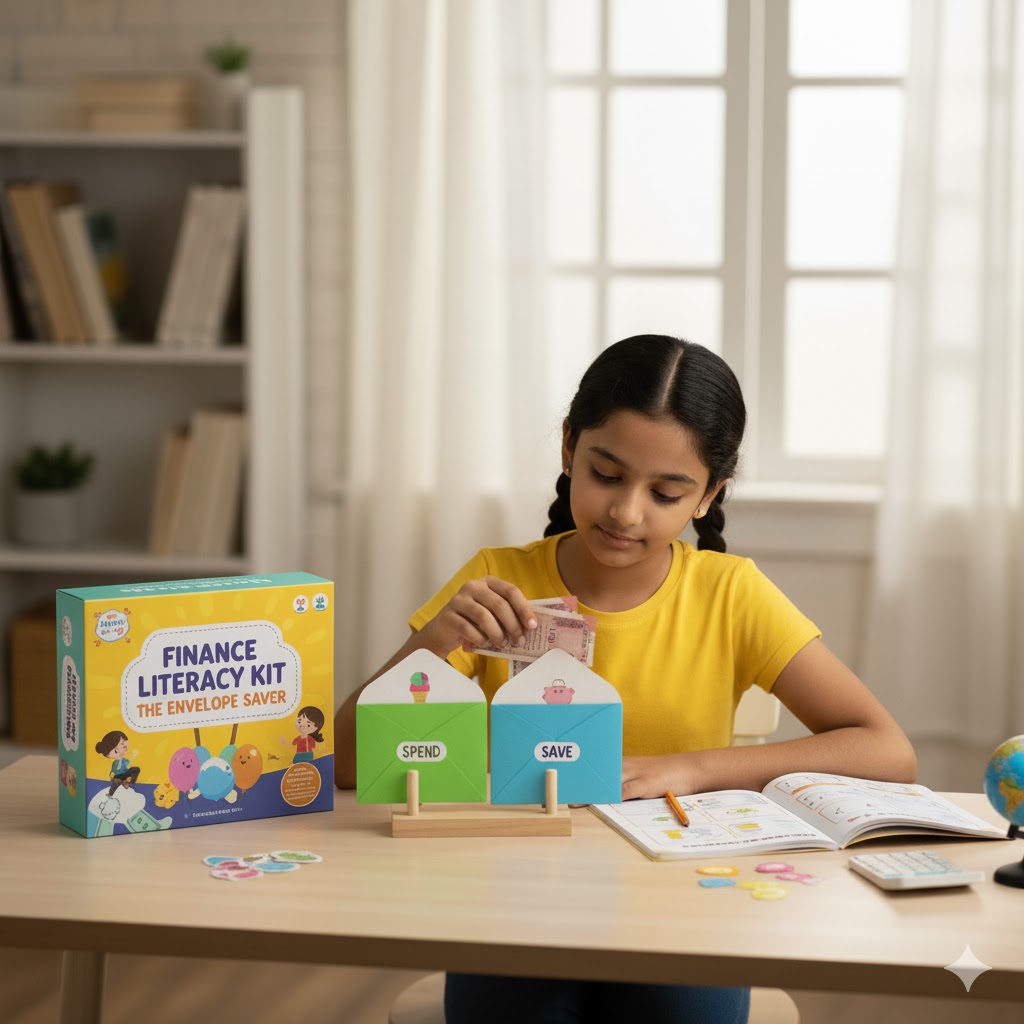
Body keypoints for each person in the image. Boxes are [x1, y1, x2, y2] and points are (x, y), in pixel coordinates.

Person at [334, 334, 916, 1024]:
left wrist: (692, 769)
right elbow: (344, 760)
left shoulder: (732, 594)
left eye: (666, 492)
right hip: (515, 896)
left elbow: (887, 751)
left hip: (683, 897)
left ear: (709, 495)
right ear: (568, 449)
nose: (626, 512)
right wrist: (435, 643)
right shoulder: (498, 579)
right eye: (606, 474)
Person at [96, 730, 140, 797]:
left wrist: (133, 757)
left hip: (125, 775)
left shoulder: (125, 760)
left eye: (124, 745)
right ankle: (111, 794)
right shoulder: (115, 762)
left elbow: (128, 765)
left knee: (136, 769)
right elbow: (113, 771)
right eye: (116, 751)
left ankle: (127, 782)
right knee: (116, 782)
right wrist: (112, 776)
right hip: (118, 776)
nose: (124, 748)